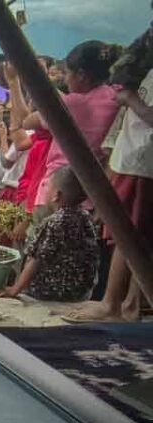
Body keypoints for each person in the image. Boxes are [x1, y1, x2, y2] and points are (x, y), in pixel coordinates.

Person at [64, 44, 152, 322]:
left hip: (140, 160)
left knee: (127, 234)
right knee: (138, 233)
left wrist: (130, 98)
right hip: (134, 157)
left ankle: (114, 303)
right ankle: (130, 302)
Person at [19, 42, 122, 238]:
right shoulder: (117, 97)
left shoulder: (72, 103)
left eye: (67, 73)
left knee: (41, 254)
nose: (65, 79)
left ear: (81, 74)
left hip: (56, 193)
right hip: (92, 197)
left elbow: (26, 122)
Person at [0, 167, 98, 301]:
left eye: (47, 186)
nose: (44, 190)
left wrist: (14, 289)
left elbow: (36, 259)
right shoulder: (86, 217)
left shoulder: (54, 222)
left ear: (56, 195)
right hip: (80, 292)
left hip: (52, 291)